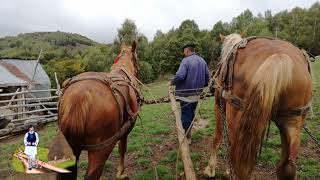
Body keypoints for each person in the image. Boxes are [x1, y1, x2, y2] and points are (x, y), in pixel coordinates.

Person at [170, 42, 210, 144]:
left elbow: (180, 76)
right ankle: (188, 134)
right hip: (196, 95)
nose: (184, 53)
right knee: (191, 114)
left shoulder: (186, 61)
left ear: (187, 50)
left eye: (184, 51)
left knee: (186, 116)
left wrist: (172, 82)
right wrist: (200, 86)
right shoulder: (202, 61)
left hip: (185, 96)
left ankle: (187, 138)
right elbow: (207, 79)